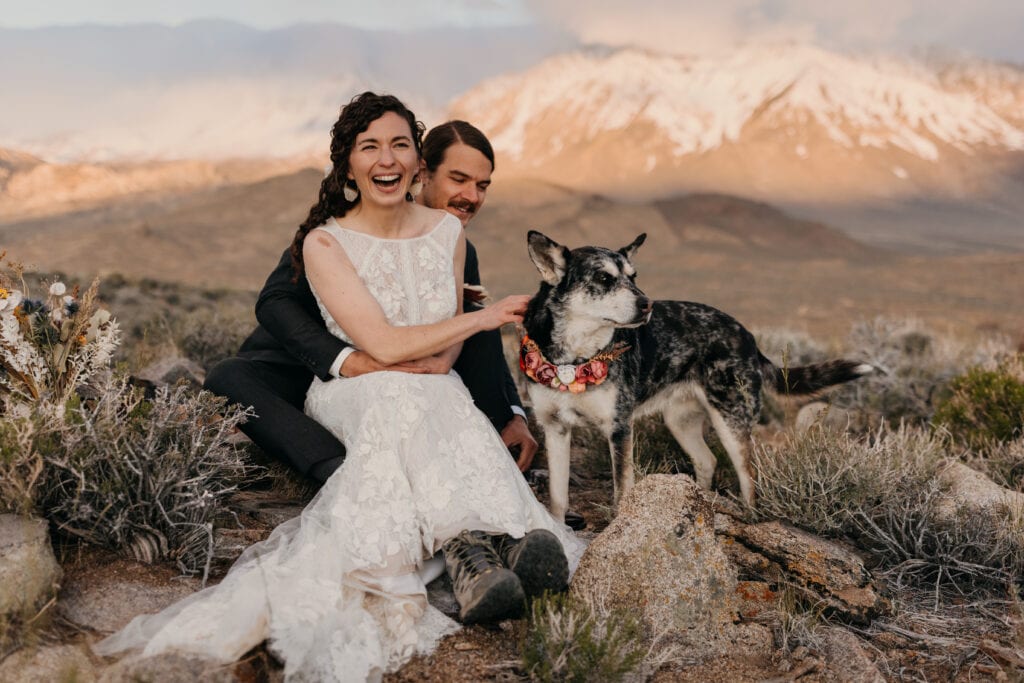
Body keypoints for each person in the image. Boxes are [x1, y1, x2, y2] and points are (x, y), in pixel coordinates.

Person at [95, 93, 586, 681]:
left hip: (419, 378)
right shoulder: (329, 237)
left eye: (484, 186)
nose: (471, 197)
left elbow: (464, 342)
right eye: (459, 179)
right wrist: (348, 360)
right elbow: (276, 301)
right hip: (308, 358)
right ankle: (349, 475)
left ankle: (489, 548)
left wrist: (507, 409)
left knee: (430, 392)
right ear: (422, 171)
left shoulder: (451, 241)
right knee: (231, 377)